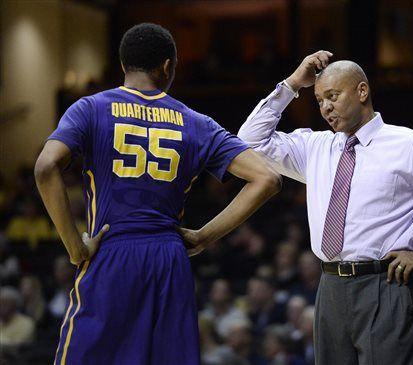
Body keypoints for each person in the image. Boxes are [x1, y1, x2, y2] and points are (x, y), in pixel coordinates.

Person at [34, 23, 281, 365]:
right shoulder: (196, 122)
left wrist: (76, 248)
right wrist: (205, 236)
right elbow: (267, 179)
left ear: (123, 65)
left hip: (111, 251)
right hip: (169, 256)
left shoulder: (90, 108)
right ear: (167, 66)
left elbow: (45, 168)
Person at [238, 51, 413, 364]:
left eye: (332, 96)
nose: (325, 107)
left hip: (386, 283)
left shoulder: (410, 145)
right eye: (319, 100)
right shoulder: (316, 147)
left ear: (362, 91)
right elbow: (249, 141)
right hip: (330, 284)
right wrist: (292, 85)